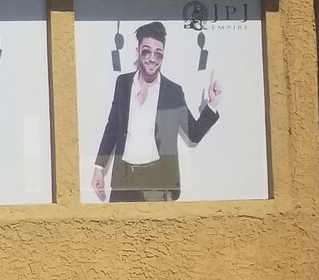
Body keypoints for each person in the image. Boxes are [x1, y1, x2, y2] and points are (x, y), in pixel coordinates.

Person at [91, 21, 222, 202]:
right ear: (137, 51)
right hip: (124, 180)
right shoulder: (122, 83)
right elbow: (112, 127)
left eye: (158, 54)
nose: (152, 58)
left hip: (158, 183)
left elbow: (194, 134)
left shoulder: (173, 92)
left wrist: (212, 105)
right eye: (146, 51)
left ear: (163, 55)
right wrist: (99, 167)